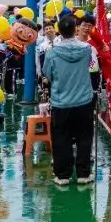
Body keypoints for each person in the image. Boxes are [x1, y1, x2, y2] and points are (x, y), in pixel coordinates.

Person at [42, 16, 95, 186]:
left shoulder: (51, 52)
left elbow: (47, 74)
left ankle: (63, 175)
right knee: (84, 138)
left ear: (59, 31)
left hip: (61, 102)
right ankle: (83, 174)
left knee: (61, 138)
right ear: (75, 29)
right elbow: (89, 66)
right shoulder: (86, 49)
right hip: (83, 100)